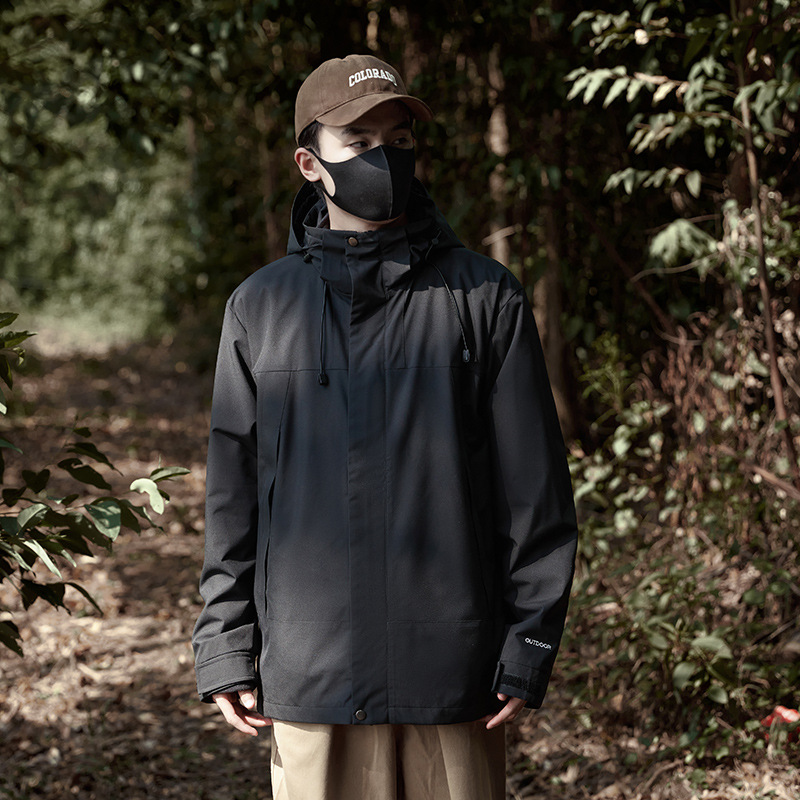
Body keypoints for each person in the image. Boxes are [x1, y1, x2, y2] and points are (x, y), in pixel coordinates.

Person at [192, 53, 578, 800]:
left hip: (453, 675)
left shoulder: (484, 298)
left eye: (399, 141)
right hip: (312, 673)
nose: (385, 158)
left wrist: (529, 641)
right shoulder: (261, 309)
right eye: (360, 143)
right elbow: (232, 499)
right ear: (310, 162)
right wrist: (225, 644)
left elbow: (536, 495)